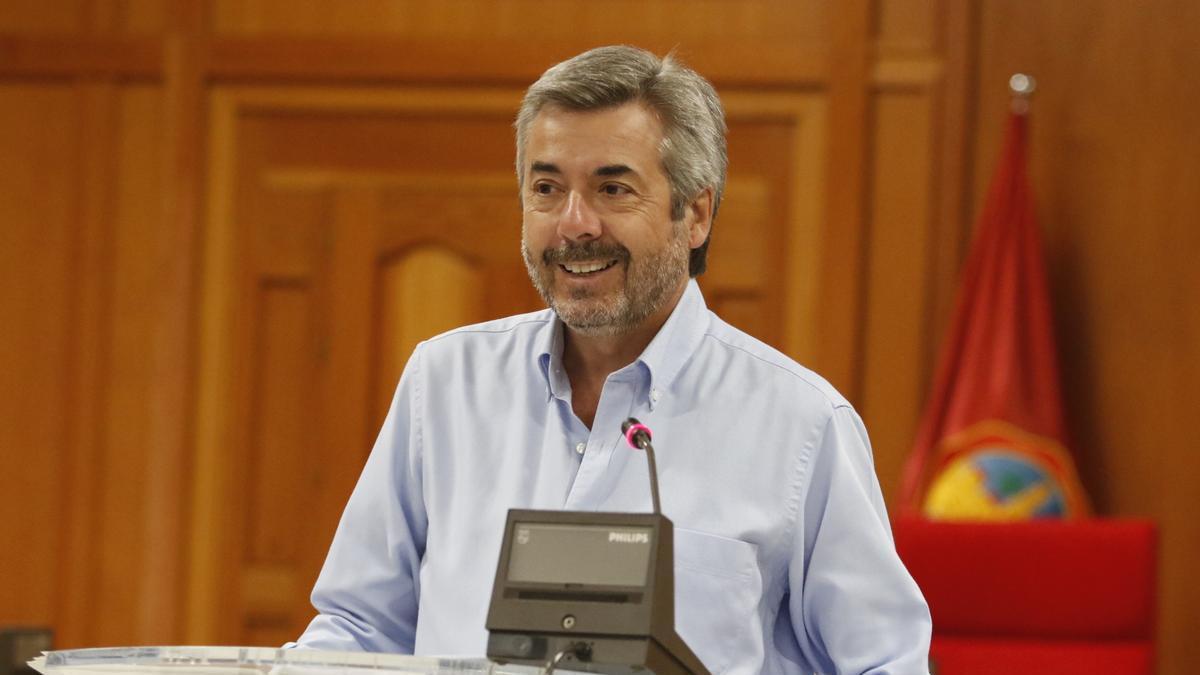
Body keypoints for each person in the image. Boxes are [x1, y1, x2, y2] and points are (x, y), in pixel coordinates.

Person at [292, 45, 931, 674]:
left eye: (612, 188)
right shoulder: (445, 383)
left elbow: (885, 663)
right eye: (547, 187)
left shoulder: (802, 424)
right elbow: (360, 627)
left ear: (697, 213)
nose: (574, 223)